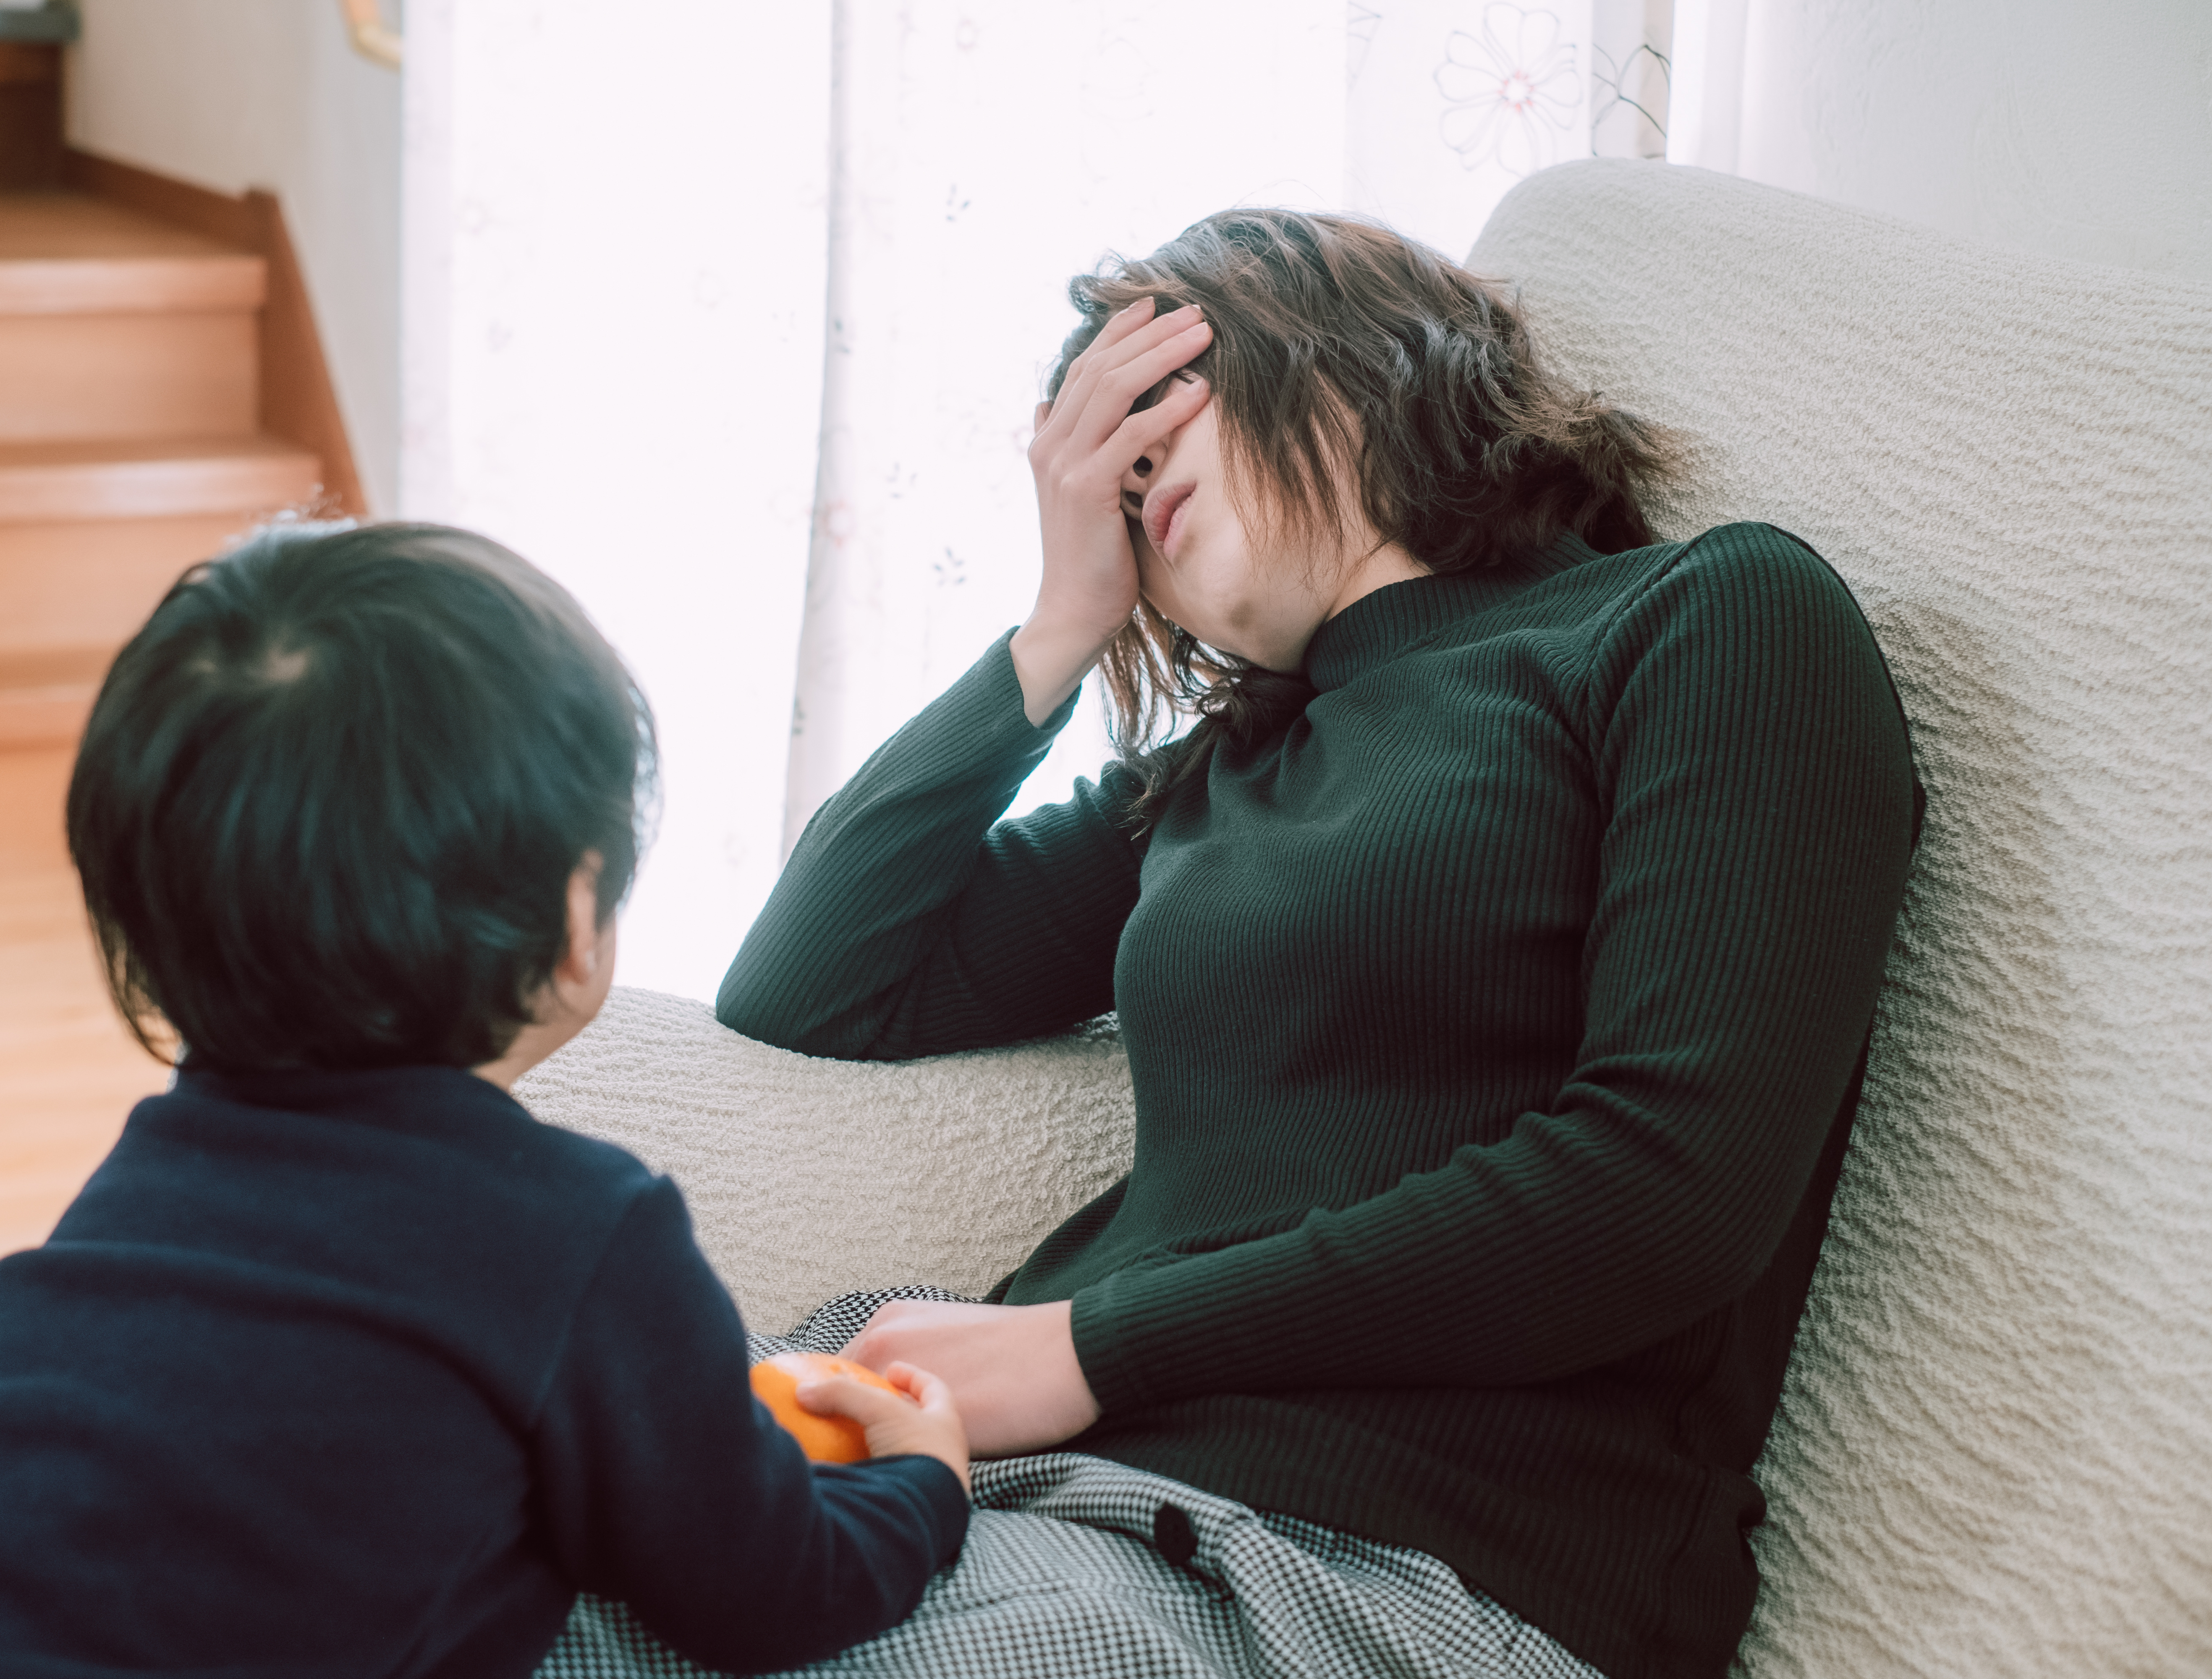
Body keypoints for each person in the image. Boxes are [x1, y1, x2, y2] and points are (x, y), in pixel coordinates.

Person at [686, 210, 1917, 1679]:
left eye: (1149, 401)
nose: (1126, 474)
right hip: (1009, 1490)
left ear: (1329, 345)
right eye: (1105, 467)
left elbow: (1666, 1192)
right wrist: (1060, 626)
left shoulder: (1707, 618)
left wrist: (1088, 1351)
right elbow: (812, 988)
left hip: (1381, 1566)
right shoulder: (1211, 779)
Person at [0, 523, 972, 1679]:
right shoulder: (585, 1232)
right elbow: (759, 1587)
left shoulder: (153, 1168)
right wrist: (923, 1487)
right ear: (574, 925)